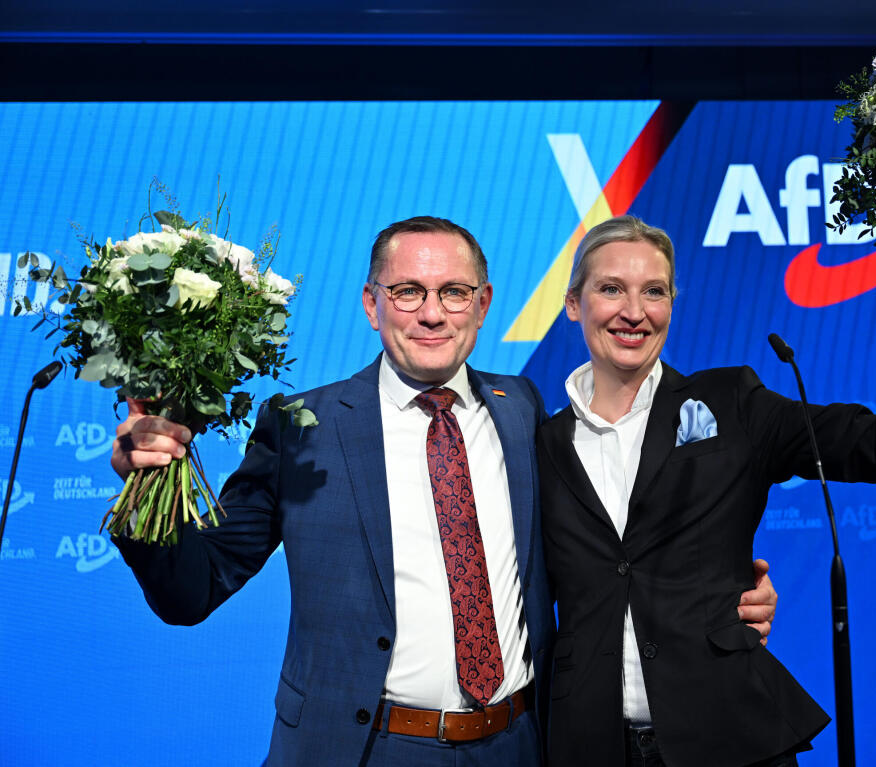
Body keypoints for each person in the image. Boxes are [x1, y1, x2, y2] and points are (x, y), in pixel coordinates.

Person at [109, 215, 781, 767]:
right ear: (371, 304)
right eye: (407, 292)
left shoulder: (522, 409)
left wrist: (714, 596)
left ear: (482, 305)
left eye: (454, 292)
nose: (431, 314)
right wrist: (147, 487)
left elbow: (600, 554)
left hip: (519, 745)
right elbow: (191, 590)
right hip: (366, 750)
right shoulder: (300, 426)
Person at [537, 200, 876, 767]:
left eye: (654, 292)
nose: (634, 311)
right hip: (588, 746)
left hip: (732, 735)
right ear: (573, 304)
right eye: (611, 289)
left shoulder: (735, 404)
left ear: (672, 306)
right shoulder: (538, 443)